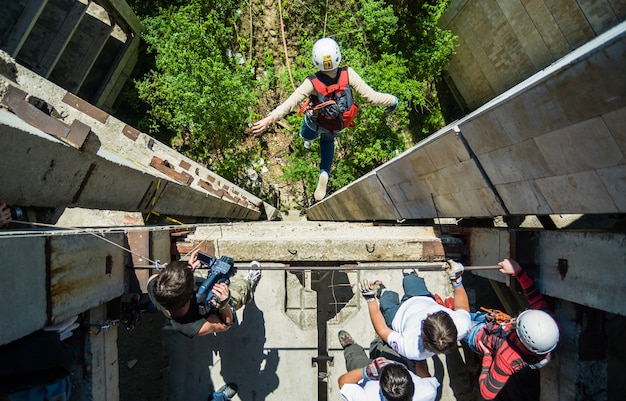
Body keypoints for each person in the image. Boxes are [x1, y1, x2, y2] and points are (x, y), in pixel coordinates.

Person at [251, 37, 398, 201]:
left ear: (316, 61)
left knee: (307, 121)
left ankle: (307, 139)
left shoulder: (312, 82)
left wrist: (269, 119)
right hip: (338, 123)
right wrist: (392, 101)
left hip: (317, 123)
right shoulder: (348, 74)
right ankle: (324, 172)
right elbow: (372, 97)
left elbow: (290, 103)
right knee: (328, 141)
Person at [463, 258, 560, 400]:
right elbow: (535, 298)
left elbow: (487, 393)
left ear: (520, 339)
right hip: (491, 322)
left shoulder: (508, 358)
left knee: (455, 321)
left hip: (477, 336)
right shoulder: (549, 326)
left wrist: (487, 356)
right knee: (466, 313)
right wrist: (517, 271)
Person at [360, 260, 471, 365]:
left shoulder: (410, 348)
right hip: (422, 298)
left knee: (386, 300)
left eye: (428, 318)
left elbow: (383, 329)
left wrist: (370, 299)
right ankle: (410, 276)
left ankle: (382, 291)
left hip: (397, 315)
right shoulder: (462, 326)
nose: (428, 314)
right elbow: (462, 307)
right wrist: (456, 280)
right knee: (411, 280)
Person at [147, 250, 262, 338]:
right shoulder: (193, 327)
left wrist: (186, 270)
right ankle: (248, 286)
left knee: (211, 274)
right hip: (215, 305)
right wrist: (223, 304)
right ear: (191, 292)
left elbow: (153, 278)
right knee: (239, 290)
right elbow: (225, 324)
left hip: (194, 292)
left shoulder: (156, 286)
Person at [337, 330, 439, 401]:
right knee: (387, 348)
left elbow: (342, 383)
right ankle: (379, 340)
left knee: (355, 360)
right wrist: (417, 360)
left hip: (367, 377)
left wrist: (366, 371)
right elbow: (426, 379)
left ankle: (350, 347)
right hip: (394, 366)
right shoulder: (428, 392)